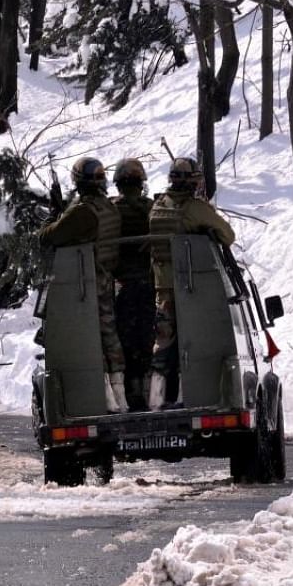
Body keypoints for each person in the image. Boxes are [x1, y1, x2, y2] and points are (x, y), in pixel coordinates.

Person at [38, 157, 128, 414]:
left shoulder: (84, 211)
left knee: (91, 338)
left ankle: (106, 397)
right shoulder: (108, 208)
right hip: (106, 278)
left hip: (85, 282)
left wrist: (54, 214)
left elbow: (49, 237)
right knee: (110, 336)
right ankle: (120, 395)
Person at [147, 157, 235, 410]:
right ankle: (190, 397)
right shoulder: (195, 208)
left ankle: (156, 399)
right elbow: (228, 236)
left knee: (162, 345)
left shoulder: (157, 206)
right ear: (193, 182)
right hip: (192, 289)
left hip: (162, 289)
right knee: (194, 343)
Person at [110, 158, 155, 411]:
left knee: (124, 340)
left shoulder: (110, 210)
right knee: (148, 338)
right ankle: (147, 388)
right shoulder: (152, 208)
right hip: (150, 286)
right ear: (141, 183)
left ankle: (131, 390)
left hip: (121, 286)